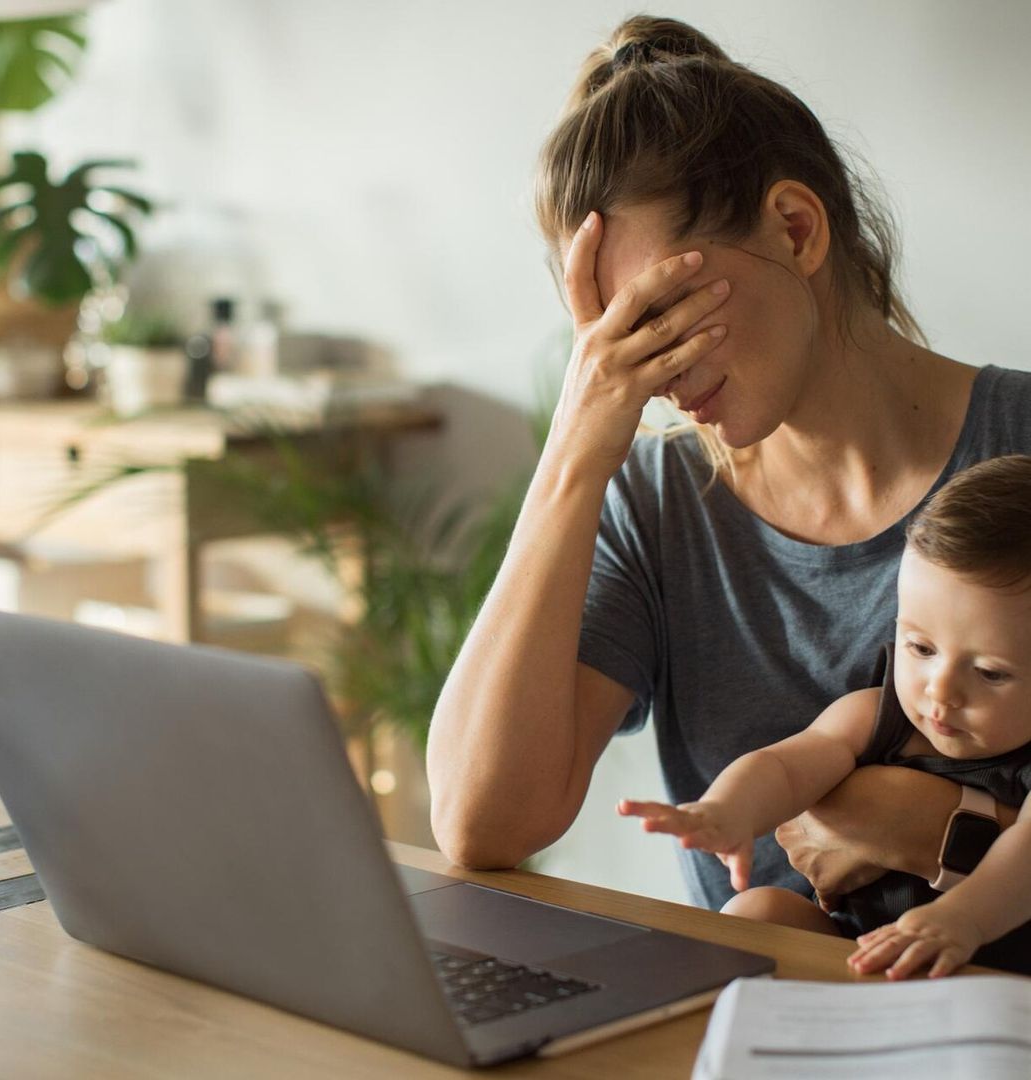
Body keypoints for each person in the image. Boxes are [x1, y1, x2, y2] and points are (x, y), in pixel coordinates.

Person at [425, 14, 1031, 928]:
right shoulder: (654, 504)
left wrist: (940, 830)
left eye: (661, 317)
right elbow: (482, 825)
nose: (653, 376)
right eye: (610, 339)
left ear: (795, 230)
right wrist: (574, 449)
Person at [618, 454, 1031, 978]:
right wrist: (727, 812)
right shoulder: (876, 715)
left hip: (994, 978)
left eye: (991, 673)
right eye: (921, 648)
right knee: (756, 913)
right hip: (861, 954)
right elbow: (787, 766)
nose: (940, 691)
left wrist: (961, 919)